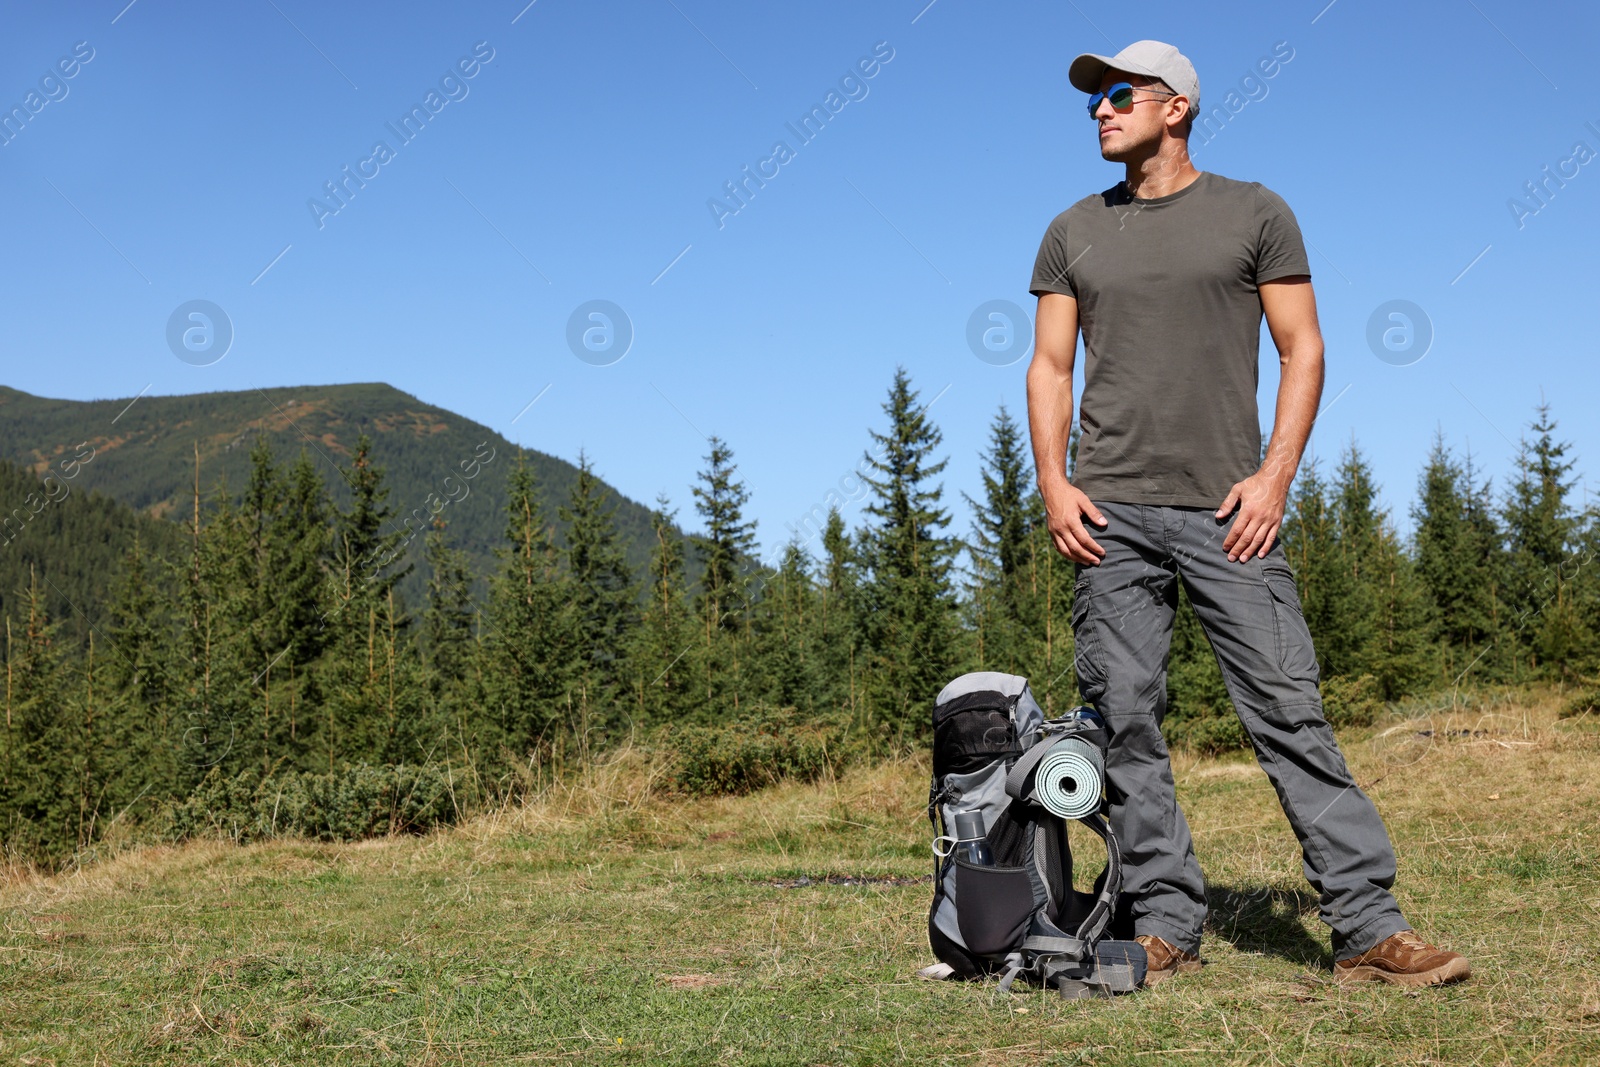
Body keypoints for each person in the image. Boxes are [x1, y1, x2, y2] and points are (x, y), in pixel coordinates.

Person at [1024, 40, 1469, 989]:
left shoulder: (1255, 213)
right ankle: (1164, 920)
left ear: (1175, 107)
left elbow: (1303, 349)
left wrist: (1273, 479)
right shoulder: (1071, 230)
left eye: (1117, 94)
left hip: (1233, 513)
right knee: (1125, 722)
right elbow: (1051, 366)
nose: (1099, 111)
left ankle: (1366, 926)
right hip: (1110, 515)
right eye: (1093, 100)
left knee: (1289, 712)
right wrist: (1054, 483)